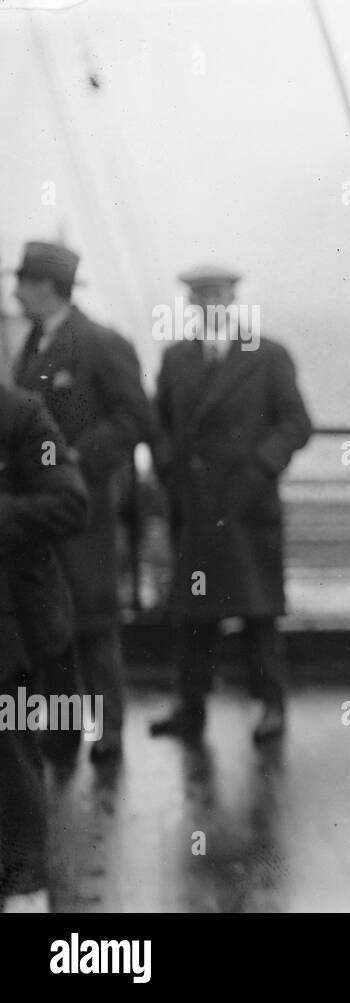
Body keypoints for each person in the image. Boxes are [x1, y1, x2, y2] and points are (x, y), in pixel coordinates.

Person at [149, 265, 312, 743]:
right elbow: (157, 423)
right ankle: (190, 704)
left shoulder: (267, 355)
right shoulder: (176, 359)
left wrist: (260, 468)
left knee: (259, 612)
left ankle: (270, 705)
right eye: (200, 299)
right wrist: (170, 469)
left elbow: (296, 423)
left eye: (217, 297)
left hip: (247, 507)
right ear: (191, 306)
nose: (209, 306)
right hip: (196, 504)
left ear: (234, 301)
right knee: (194, 611)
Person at [11, 240, 152, 765]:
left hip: (86, 508)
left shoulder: (100, 343)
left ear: (46, 287)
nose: (15, 292)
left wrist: (76, 457)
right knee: (53, 622)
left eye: (22, 282)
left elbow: (137, 417)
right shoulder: (34, 346)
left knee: (95, 621)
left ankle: (110, 730)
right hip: (43, 512)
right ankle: (65, 729)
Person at [0, 385, 89, 912]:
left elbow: (69, 502)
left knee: (9, 754)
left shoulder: (20, 416)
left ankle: (26, 891)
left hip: (8, 623)